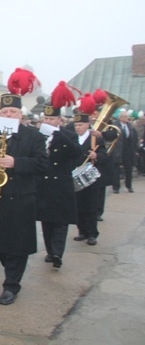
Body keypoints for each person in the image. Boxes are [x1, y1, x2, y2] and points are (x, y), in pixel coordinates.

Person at [0, 68, 48, 306]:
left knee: (17, 244)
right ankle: (11, 271)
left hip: (21, 198)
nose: (8, 114)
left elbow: (43, 164)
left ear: (20, 114)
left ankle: (11, 285)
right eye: (4, 111)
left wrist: (16, 162)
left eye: (12, 111)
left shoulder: (34, 137)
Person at [36, 83, 83, 269]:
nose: (48, 121)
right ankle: (50, 250)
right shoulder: (38, 136)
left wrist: (59, 135)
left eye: (52, 118)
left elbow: (77, 153)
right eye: (46, 118)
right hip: (44, 183)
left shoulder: (68, 135)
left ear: (59, 120)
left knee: (61, 221)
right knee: (47, 221)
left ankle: (57, 253)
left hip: (61, 183)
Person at [72, 100, 110, 246]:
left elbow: (105, 156)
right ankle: (82, 231)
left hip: (91, 178)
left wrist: (97, 156)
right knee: (79, 206)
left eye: (80, 125)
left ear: (87, 125)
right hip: (76, 176)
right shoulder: (73, 138)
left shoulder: (95, 138)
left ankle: (92, 234)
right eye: (76, 125)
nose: (78, 127)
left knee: (91, 207)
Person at [115, 111, 138, 193]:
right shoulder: (116, 125)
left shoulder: (130, 126)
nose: (127, 118)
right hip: (119, 150)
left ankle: (129, 186)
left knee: (128, 169)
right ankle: (116, 187)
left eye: (127, 116)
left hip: (128, 151)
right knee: (116, 169)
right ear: (120, 118)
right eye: (125, 116)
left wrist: (135, 150)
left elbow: (134, 139)